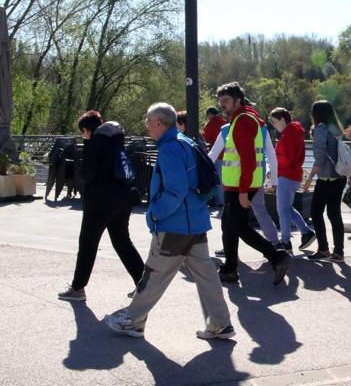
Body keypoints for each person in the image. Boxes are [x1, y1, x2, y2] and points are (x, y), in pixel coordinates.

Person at [103, 103, 234, 339]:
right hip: (195, 221)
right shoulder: (186, 142)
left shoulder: (170, 149)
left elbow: (175, 189)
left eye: (148, 122)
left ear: (158, 123)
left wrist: (155, 213)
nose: (146, 126)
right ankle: (221, 323)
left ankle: (132, 320)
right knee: (206, 274)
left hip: (174, 224)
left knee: (154, 275)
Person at [58, 111, 144, 302]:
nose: (83, 136)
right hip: (123, 198)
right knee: (122, 241)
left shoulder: (95, 143)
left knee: (88, 243)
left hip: (99, 200)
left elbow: (88, 174)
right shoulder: (117, 142)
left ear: (86, 130)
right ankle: (143, 283)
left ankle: (78, 288)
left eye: (83, 133)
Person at [214, 82, 291, 285]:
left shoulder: (243, 121)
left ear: (238, 100)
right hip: (238, 184)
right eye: (220, 101)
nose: (222, 105)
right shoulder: (243, 119)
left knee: (238, 226)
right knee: (228, 226)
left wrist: (242, 191)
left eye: (226, 101)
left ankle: (277, 257)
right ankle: (229, 269)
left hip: (240, 186)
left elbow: (248, 158)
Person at [302, 100, 347, 262]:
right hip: (340, 177)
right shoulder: (336, 129)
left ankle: (323, 249)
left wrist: (308, 179)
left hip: (326, 177)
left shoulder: (321, 129)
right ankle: (339, 252)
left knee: (316, 212)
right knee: (334, 214)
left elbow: (320, 158)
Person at [269, 107, 315, 251]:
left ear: (282, 120)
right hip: (292, 175)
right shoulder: (293, 133)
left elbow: (286, 158)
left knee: (282, 210)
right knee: (287, 208)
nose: (274, 125)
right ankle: (306, 233)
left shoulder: (288, 135)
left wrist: (274, 169)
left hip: (286, 175)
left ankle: (286, 242)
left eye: (274, 122)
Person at [203, 106, 228, 206]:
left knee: (219, 179)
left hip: (218, 155)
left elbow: (205, 137)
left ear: (210, 114)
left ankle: (221, 201)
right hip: (228, 155)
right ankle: (224, 200)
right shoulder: (225, 122)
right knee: (226, 179)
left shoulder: (212, 123)